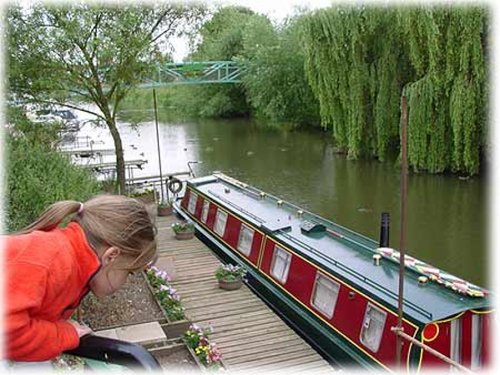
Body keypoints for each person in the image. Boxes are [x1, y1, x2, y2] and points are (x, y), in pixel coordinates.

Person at [3, 194, 158, 363]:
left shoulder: (72, 266)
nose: (125, 282)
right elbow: (9, 334)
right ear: (111, 256)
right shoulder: (52, 259)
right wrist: (65, 335)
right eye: (129, 272)